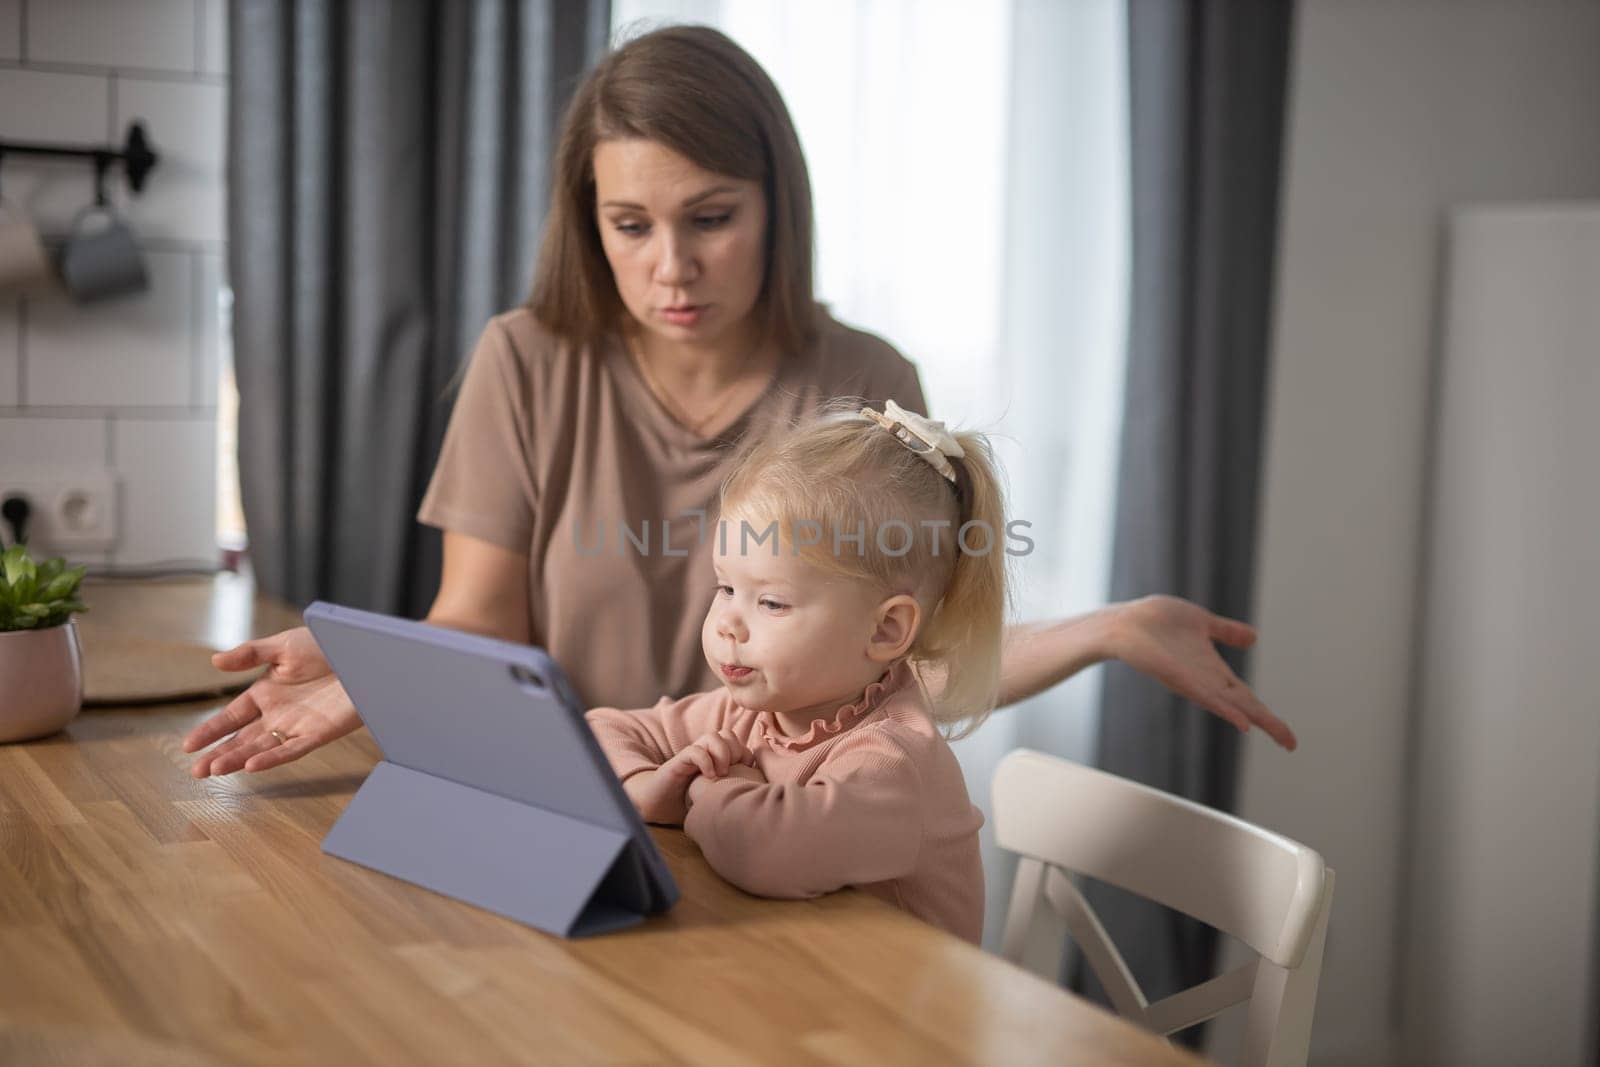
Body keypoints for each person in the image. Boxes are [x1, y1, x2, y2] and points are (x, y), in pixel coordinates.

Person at [184, 24, 1294, 780]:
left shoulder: (867, 387)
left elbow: (915, 664)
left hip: (792, 840)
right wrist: (378, 668)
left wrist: (1110, 625)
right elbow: (481, 619)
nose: (671, 265)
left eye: (710, 218)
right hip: (588, 812)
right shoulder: (524, 360)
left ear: (776, 204)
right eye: (631, 226)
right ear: (591, 223)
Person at [587, 399, 1003, 942]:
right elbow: (599, 729)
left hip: (899, 1017)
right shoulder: (750, 712)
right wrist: (646, 785)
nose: (728, 626)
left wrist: (704, 789)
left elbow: (764, 850)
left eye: (773, 603)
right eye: (727, 588)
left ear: (884, 631)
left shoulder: (895, 763)